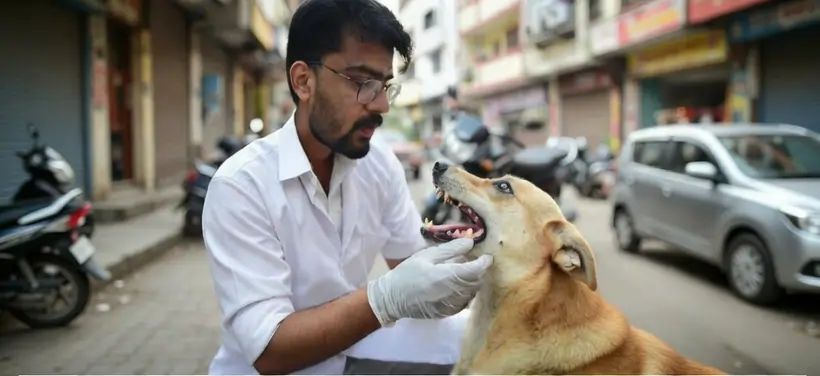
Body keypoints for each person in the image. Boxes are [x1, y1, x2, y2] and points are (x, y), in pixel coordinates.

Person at [201, 0, 494, 375]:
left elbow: (411, 267)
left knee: (494, 345)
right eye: (363, 83)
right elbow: (269, 350)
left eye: (386, 85)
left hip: (351, 355)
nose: (382, 105)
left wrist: (469, 273)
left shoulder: (379, 164)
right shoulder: (241, 186)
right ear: (303, 81)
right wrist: (385, 298)